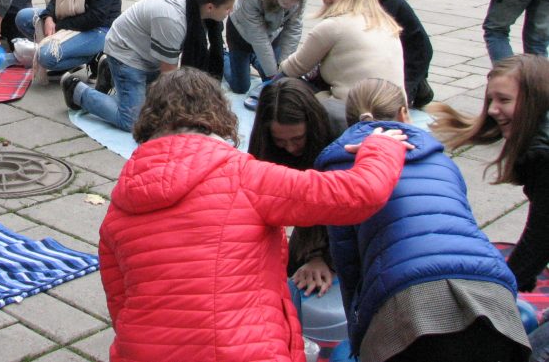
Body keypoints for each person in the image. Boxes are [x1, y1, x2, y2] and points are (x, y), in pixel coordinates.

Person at [98, 67, 412, 362]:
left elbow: (120, 306)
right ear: (218, 115)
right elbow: (359, 194)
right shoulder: (245, 177)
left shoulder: (120, 205)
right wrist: (381, 147)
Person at [318, 78, 531, 362]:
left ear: (350, 122)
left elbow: (347, 263)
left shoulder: (342, 169)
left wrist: (359, 335)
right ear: (404, 113)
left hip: (408, 304)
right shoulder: (442, 160)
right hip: (490, 292)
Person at [429, 54, 549, 295]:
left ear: (535, 101)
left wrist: (501, 289)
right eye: (490, 100)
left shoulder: (543, 155)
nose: (493, 109)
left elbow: (539, 239)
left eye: (504, 100)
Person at [65, 0, 239, 131]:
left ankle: (110, 72)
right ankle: (76, 90)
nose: (230, 12)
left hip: (147, 53)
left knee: (156, 107)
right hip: (126, 54)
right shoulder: (173, 20)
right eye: (227, 8)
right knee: (134, 121)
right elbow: (168, 77)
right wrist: (185, 112)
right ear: (210, 7)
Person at [279, 0, 403, 126]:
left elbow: (291, 69)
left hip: (355, 116)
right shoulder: (385, 23)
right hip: (397, 116)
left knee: (284, 88)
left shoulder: (334, 26)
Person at [248, 78, 342, 296]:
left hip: (343, 213)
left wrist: (320, 256)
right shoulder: (265, 144)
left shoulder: (337, 132)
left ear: (312, 126)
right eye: (280, 141)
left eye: (298, 139)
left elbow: (341, 207)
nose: (290, 147)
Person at [323, 0, 434, 107]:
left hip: (411, 57)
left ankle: (419, 88)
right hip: (395, 55)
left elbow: (368, 42)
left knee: (391, 104)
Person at [225, 0, 308, 94]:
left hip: (272, 32)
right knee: (240, 87)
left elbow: (294, 27)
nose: (289, 7)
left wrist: (284, 68)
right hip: (241, 32)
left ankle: (254, 57)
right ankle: (225, 55)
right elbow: (259, 38)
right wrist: (274, 76)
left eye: (294, 4)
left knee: (274, 78)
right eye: (286, 3)